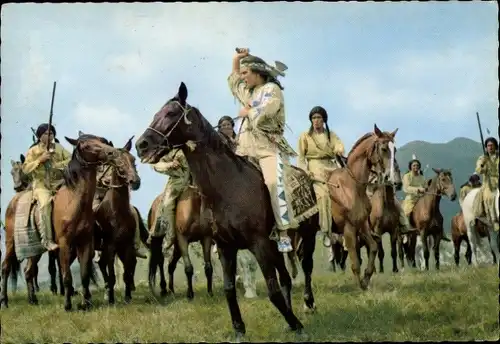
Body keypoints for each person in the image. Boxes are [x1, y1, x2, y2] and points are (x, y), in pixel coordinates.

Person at [227, 48, 298, 253]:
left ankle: (283, 231)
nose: (242, 78)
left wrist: (248, 111)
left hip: (268, 148)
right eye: (242, 73)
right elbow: (234, 83)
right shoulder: (249, 92)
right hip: (245, 148)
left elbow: (266, 111)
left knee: (273, 182)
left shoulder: (272, 90)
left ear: (257, 73)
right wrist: (237, 59)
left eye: (245, 73)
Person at [297, 106, 344, 248]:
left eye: (318, 118)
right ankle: (326, 231)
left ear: (324, 120)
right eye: (313, 118)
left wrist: (339, 150)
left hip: (331, 165)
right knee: (323, 194)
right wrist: (305, 170)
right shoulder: (305, 136)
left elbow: (339, 146)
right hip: (315, 166)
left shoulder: (331, 134)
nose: (316, 121)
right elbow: (301, 156)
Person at [22, 123, 71, 251]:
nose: (49, 136)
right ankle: (47, 240)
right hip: (41, 185)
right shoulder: (33, 150)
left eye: (51, 133)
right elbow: (26, 169)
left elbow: (71, 160)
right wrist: (40, 160)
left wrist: (57, 165)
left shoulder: (59, 148)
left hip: (60, 183)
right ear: (39, 136)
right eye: (45, 134)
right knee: (45, 204)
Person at [93, 164, 148, 259]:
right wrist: (99, 179)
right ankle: (97, 248)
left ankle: (135, 245)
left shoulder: (116, 165)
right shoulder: (94, 163)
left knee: (133, 212)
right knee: (92, 214)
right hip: (98, 197)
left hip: (115, 199)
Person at [148, 148, 191, 256]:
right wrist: (170, 164)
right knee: (166, 205)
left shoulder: (195, 144)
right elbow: (155, 164)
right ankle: (169, 236)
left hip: (196, 182)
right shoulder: (171, 150)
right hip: (177, 183)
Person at [473, 137, 499, 231]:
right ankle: (494, 220)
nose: (490, 147)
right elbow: (478, 170)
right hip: (489, 183)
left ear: (496, 146)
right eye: (488, 145)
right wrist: (482, 163)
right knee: (490, 196)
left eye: (492, 145)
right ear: (486, 148)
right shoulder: (482, 158)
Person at [401, 155, 427, 229]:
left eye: (417, 165)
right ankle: (406, 227)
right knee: (406, 211)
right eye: (414, 165)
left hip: (422, 198)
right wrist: (417, 189)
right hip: (411, 199)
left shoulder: (422, 177)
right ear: (410, 167)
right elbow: (406, 188)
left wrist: (425, 189)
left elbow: (425, 186)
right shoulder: (407, 176)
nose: (416, 167)